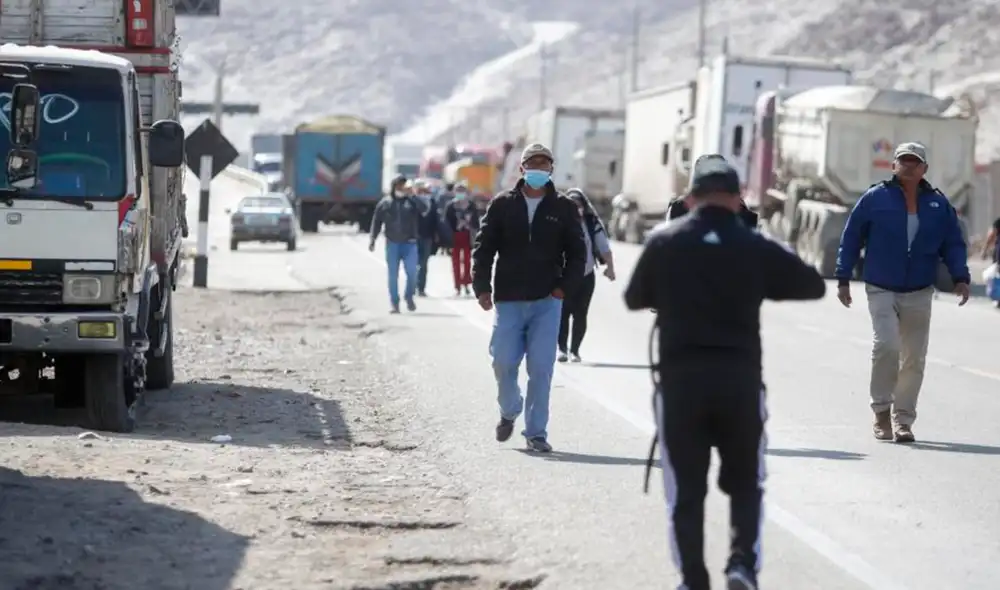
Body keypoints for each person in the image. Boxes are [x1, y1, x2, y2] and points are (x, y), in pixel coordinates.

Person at [625, 154, 826, 590]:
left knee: (686, 490)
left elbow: (634, 297)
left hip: (681, 385)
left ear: (691, 198)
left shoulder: (666, 241)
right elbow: (812, 284)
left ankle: (693, 580)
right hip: (739, 383)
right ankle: (741, 566)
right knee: (745, 484)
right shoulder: (754, 244)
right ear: (738, 199)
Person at [835, 141, 970, 443]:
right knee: (887, 345)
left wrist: (960, 276)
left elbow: (953, 243)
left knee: (914, 358)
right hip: (881, 285)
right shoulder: (875, 198)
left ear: (924, 169)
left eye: (915, 162)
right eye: (903, 161)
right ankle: (881, 411)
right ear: (893, 166)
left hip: (920, 289)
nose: (908, 166)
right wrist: (843, 277)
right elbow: (851, 236)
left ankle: (903, 420)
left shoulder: (938, 204)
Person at [472, 142, 586, 453]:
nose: (538, 169)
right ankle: (510, 409)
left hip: (547, 301)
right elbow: (483, 248)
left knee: (541, 368)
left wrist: (564, 287)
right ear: (522, 169)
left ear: (552, 169)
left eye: (544, 164)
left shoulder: (562, 208)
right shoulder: (502, 205)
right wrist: (482, 287)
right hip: (508, 299)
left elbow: (578, 254)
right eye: (532, 164)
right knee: (502, 361)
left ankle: (536, 432)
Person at [558, 188, 616, 362]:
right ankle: (562, 349)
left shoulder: (592, 223)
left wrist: (610, 268)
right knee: (562, 313)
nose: (577, 208)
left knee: (580, 314)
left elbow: (604, 247)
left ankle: (575, 351)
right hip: (564, 275)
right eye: (572, 205)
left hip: (586, 275)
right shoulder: (558, 223)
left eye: (579, 205)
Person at [369, 175, 428, 313]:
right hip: (392, 243)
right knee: (392, 275)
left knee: (412, 273)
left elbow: (424, 209)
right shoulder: (385, 203)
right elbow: (376, 221)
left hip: (410, 243)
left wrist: (413, 195)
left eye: (404, 185)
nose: (401, 188)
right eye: (399, 186)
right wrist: (373, 239)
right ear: (394, 187)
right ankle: (394, 303)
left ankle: (409, 296)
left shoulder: (412, 202)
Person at [444, 181, 479, 295]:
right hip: (455, 236)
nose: (460, 193)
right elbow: (446, 223)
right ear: (454, 192)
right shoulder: (450, 206)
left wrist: (469, 225)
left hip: (468, 236)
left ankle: (466, 283)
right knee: (456, 262)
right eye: (458, 191)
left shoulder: (471, 205)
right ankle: (457, 286)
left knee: (468, 261)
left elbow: (476, 222)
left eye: (462, 191)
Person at [413, 180, 440, 297]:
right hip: (413, 237)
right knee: (413, 263)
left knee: (423, 264)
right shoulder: (412, 202)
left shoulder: (432, 202)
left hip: (427, 237)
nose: (423, 191)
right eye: (420, 188)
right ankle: (412, 286)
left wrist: (437, 234)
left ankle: (421, 288)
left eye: (424, 189)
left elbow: (436, 219)